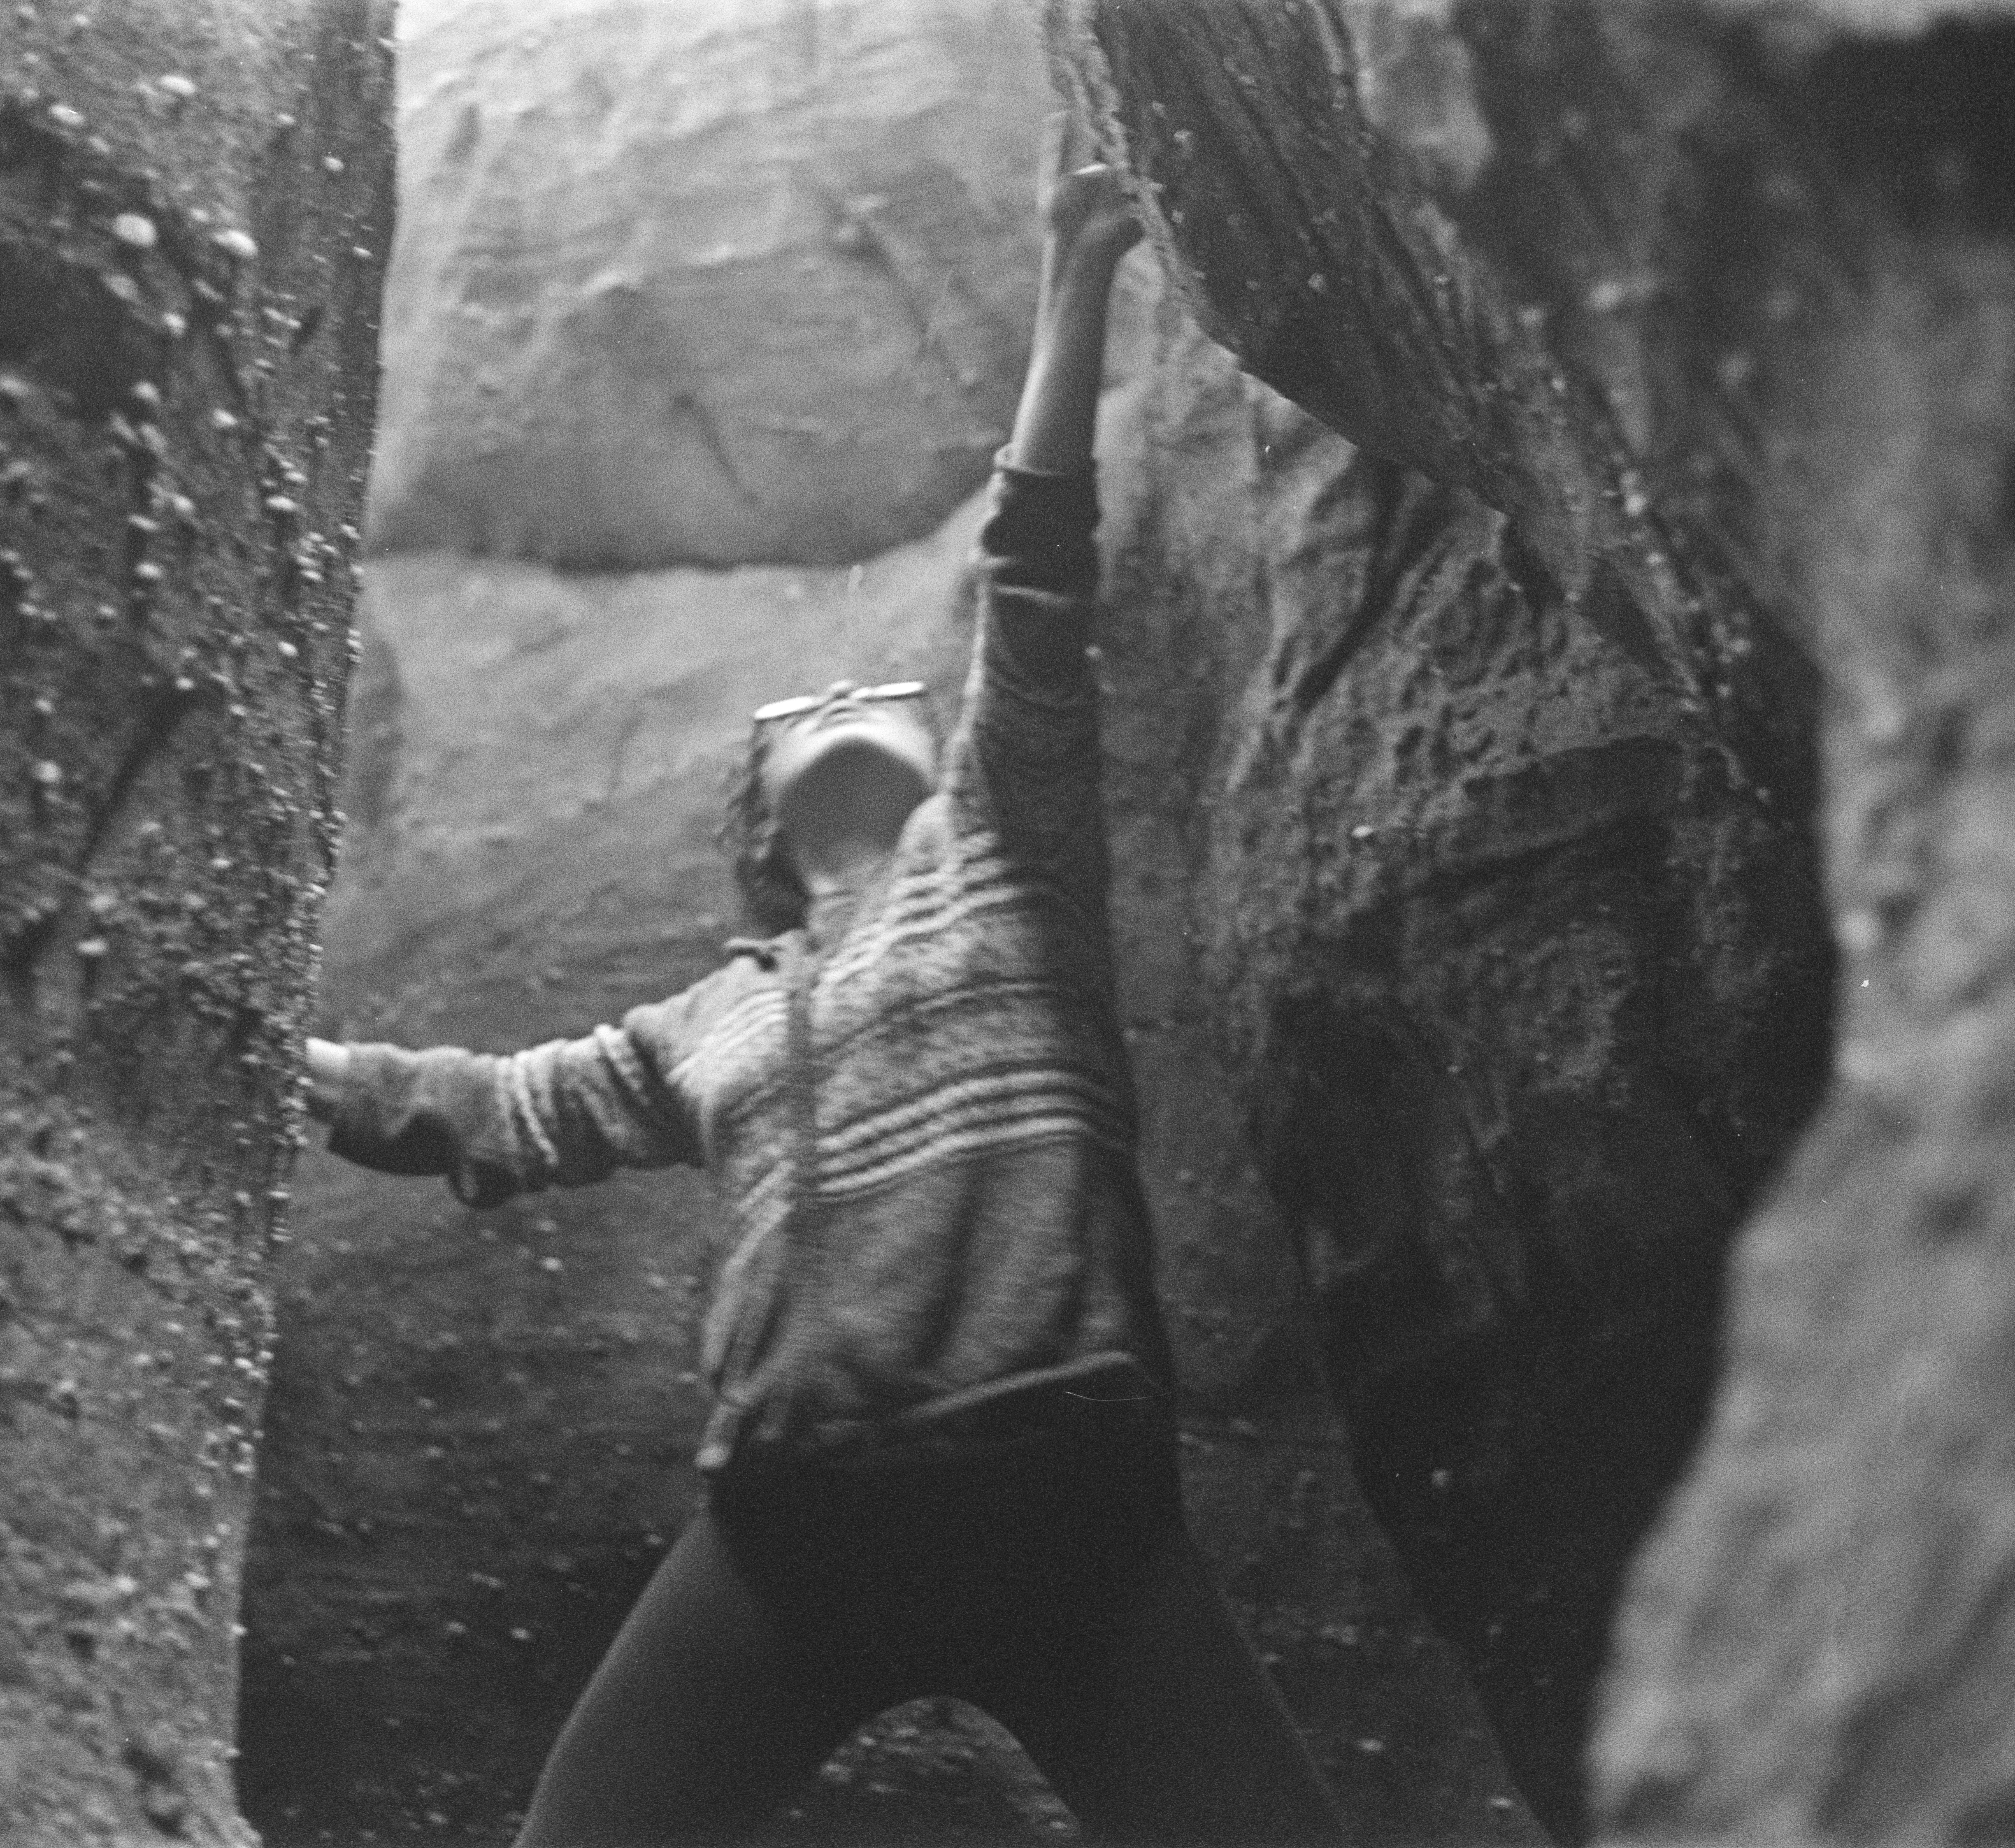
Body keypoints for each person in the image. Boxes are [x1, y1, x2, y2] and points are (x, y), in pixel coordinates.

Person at [303, 120, 1346, 1848]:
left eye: (891, 699)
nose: (844, 700)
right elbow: (490, 1107)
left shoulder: (1008, 854)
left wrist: (1071, 275)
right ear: (757, 835)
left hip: (1060, 1481)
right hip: (794, 1519)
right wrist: (288, 1057)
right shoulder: (716, 1017)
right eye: (792, 718)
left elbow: (1033, 574)